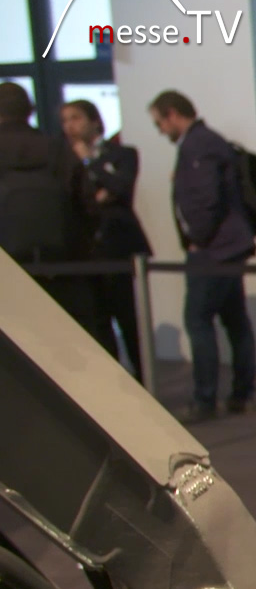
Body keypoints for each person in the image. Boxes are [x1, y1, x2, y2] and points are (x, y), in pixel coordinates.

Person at [150, 89, 256, 422]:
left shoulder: (197, 145)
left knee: (199, 320)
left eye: (159, 123)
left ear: (172, 114)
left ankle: (205, 399)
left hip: (213, 252)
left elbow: (206, 199)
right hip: (228, 248)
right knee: (234, 321)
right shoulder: (207, 142)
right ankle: (240, 394)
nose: (159, 131)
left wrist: (197, 239)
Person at [62, 99, 152, 380]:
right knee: (98, 321)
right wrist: (98, 195)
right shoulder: (64, 159)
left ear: (94, 121)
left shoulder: (122, 154)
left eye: (76, 118)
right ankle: (113, 382)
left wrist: (90, 162)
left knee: (129, 319)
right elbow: (75, 200)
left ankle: (143, 380)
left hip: (119, 246)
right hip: (87, 250)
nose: (70, 126)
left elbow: (120, 188)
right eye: (65, 120)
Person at [0, 82, 93, 329]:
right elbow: (87, 206)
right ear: (29, 111)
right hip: (63, 267)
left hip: (7, 274)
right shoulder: (58, 149)